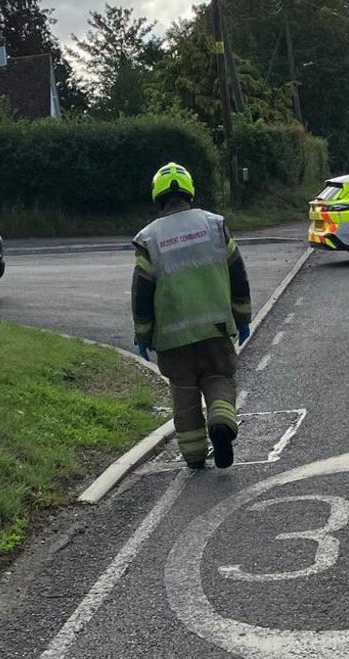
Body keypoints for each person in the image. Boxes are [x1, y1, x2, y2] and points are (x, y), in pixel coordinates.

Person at [131, 163, 252, 469]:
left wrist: (143, 334)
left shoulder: (148, 239)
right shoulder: (214, 225)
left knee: (184, 394)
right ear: (190, 193)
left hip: (173, 338)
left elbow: (141, 293)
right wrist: (242, 316)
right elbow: (237, 273)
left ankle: (195, 456)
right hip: (215, 330)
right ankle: (222, 423)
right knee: (219, 378)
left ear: (158, 197)